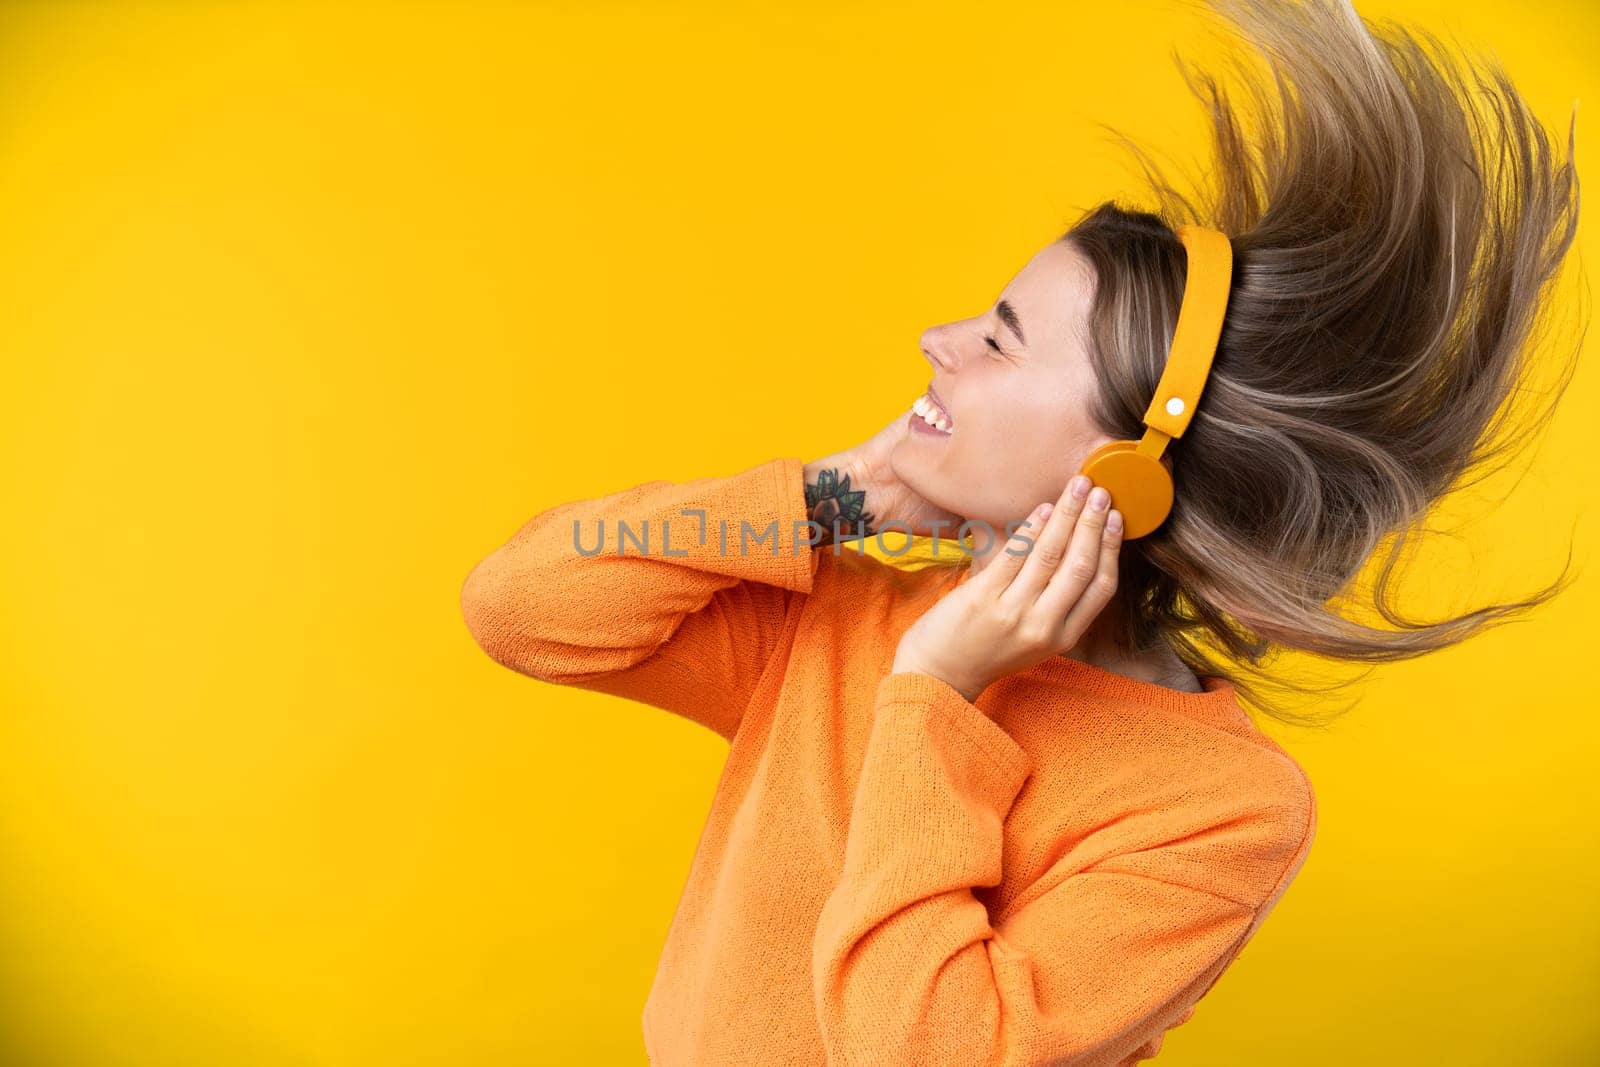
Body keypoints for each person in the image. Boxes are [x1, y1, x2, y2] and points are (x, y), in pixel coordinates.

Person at [459, 0, 1581, 1062]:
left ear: (1125, 473)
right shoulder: (843, 608)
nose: (936, 337)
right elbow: (524, 606)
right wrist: (824, 499)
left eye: (999, 342)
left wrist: (936, 699)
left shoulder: (1220, 807)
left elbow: (924, 1047)